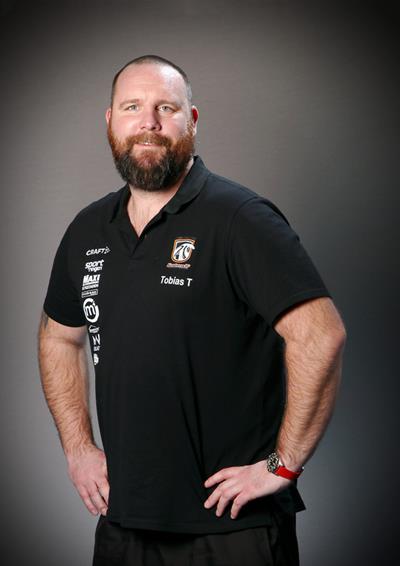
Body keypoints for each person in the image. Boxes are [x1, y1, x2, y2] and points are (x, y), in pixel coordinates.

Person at [38, 55, 346, 566]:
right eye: (132, 107)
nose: (149, 122)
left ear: (192, 120)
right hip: (123, 521)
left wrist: (283, 465)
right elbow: (59, 336)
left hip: (231, 526)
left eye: (166, 107)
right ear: (110, 121)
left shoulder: (240, 218)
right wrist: (78, 448)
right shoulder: (88, 229)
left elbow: (321, 335)